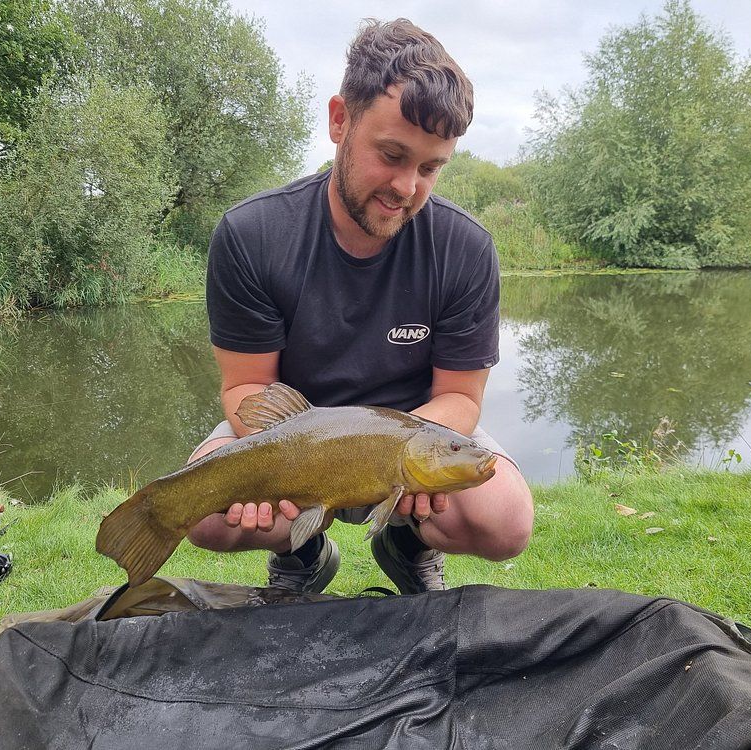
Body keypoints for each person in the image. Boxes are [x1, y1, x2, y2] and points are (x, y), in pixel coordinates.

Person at [185, 18, 534, 595]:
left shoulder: (465, 248)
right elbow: (246, 388)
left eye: (429, 167)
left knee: (505, 519)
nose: (406, 187)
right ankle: (300, 554)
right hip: (294, 439)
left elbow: (461, 397)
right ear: (340, 120)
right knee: (201, 511)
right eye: (392, 154)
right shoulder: (251, 234)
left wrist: (406, 457)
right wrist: (292, 465)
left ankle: (405, 541)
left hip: (412, 435)